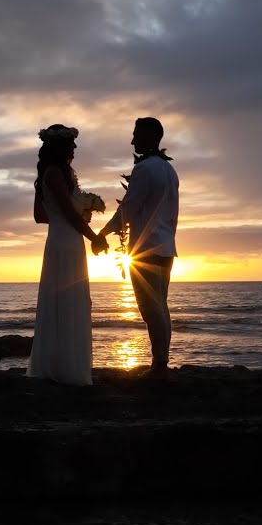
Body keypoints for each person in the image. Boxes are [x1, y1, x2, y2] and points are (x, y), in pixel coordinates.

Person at [27, 124, 110, 386]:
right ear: (60, 146)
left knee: (69, 301)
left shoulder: (58, 174)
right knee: (65, 301)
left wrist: (79, 215)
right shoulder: (53, 173)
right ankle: (65, 369)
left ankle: (64, 364)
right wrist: (93, 235)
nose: (75, 148)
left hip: (65, 241)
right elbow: (60, 214)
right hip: (65, 244)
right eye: (71, 143)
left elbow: (45, 215)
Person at [97, 117, 180, 378]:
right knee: (160, 306)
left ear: (150, 137)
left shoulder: (145, 169)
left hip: (146, 250)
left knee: (150, 308)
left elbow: (128, 209)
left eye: (136, 135)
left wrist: (102, 232)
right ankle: (161, 361)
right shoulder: (170, 170)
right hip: (166, 248)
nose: (132, 141)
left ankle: (159, 366)